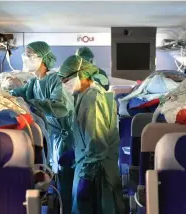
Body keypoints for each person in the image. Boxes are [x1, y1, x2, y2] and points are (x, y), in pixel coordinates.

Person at [10, 41, 74, 214]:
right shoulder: (34, 82)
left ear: (43, 58)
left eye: (30, 55)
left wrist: (32, 102)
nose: (25, 58)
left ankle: (67, 210)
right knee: (56, 174)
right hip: (53, 134)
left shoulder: (54, 80)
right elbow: (21, 93)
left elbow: (59, 107)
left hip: (66, 136)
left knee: (66, 177)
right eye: (25, 54)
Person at [58, 55, 125, 214]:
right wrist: (77, 153)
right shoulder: (85, 95)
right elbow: (87, 133)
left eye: (66, 79)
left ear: (80, 75)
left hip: (97, 171)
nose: (64, 83)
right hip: (91, 164)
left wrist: (86, 178)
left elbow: (97, 141)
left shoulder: (92, 98)